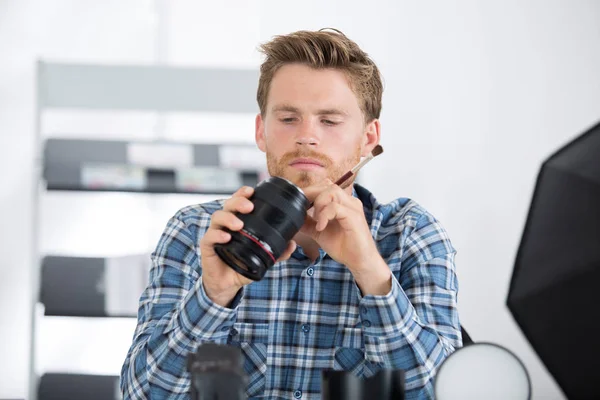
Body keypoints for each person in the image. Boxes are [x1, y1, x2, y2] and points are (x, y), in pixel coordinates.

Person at [120, 28, 461, 400]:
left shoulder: (411, 234)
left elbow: (443, 393)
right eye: (287, 119)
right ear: (261, 130)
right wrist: (214, 294)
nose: (306, 137)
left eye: (329, 121)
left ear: (368, 138)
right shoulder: (196, 231)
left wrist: (371, 272)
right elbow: (143, 393)